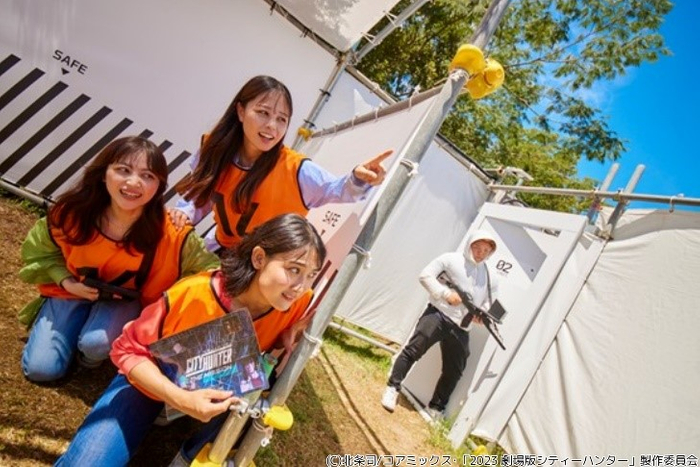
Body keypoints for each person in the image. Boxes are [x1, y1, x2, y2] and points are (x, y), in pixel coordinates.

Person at [55, 213, 327, 466]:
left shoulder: (297, 302)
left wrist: (294, 330)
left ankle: (187, 456)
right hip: (151, 381)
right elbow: (126, 350)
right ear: (258, 258)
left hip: (217, 392)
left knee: (257, 399)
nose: (301, 286)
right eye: (293, 270)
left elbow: (290, 328)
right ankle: (163, 411)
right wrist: (180, 398)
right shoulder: (194, 293)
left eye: (310, 276)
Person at [18, 136, 219, 383]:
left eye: (148, 176)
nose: (134, 183)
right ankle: (66, 333)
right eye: (123, 170)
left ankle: (89, 357)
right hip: (71, 291)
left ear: (159, 186)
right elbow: (43, 251)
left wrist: (167, 310)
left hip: (126, 303)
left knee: (95, 344)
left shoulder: (172, 233)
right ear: (104, 174)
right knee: (41, 370)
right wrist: (66, 282)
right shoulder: (72, 214)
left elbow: (209, 275)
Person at [169, 74, 392, 252]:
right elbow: (201, 196)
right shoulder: (214, 149)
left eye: (281, 119)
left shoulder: (296, 168)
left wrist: (359, 178)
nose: (272, 126)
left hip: (261, 274)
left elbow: (337, 189)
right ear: (240, 111)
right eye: (263, 113)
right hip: (216, 250)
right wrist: (185, 213)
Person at [380, 229, 499, 419]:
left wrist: (481, 315)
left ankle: (436, 407)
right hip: (438, 314)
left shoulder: (490, 275)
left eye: (486, 250)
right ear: (470, 244)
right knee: (413, 350)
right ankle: (392, 388)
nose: (481, 253)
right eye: (478, 247)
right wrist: (445, 294)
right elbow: (425, 275)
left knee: (455, 370)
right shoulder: (451, 259)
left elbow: (488, 302)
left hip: (462, 327)